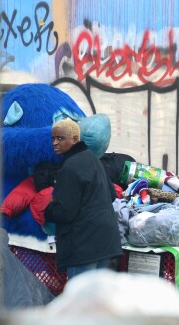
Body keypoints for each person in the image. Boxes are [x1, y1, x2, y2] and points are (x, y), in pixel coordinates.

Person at [44, 119, 122, 279]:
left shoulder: (70, 166)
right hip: (106, 241)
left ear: (75, 139)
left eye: (60, 138)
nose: (55, 143)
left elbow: (66, 212)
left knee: (80, 299)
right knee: (98, 298)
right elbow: (112, 194)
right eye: (53, 138)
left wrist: (48, 210)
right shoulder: (92, 159)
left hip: (84, 246)